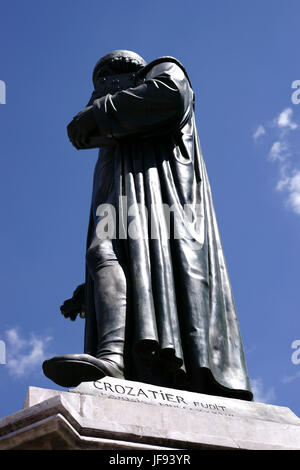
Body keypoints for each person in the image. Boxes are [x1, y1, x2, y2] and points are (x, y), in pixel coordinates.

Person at [43, 50, 253, 401]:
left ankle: (112, 358)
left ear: (118, 74)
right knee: (100, 253)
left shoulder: (163, 71)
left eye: (102, 87)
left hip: (162, 214)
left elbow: (171, 95)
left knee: (101, 251)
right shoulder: (117, 144)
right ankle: (112, 357)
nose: (96, 96)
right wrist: (93, 289)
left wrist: (99, 111)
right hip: (130, 217)